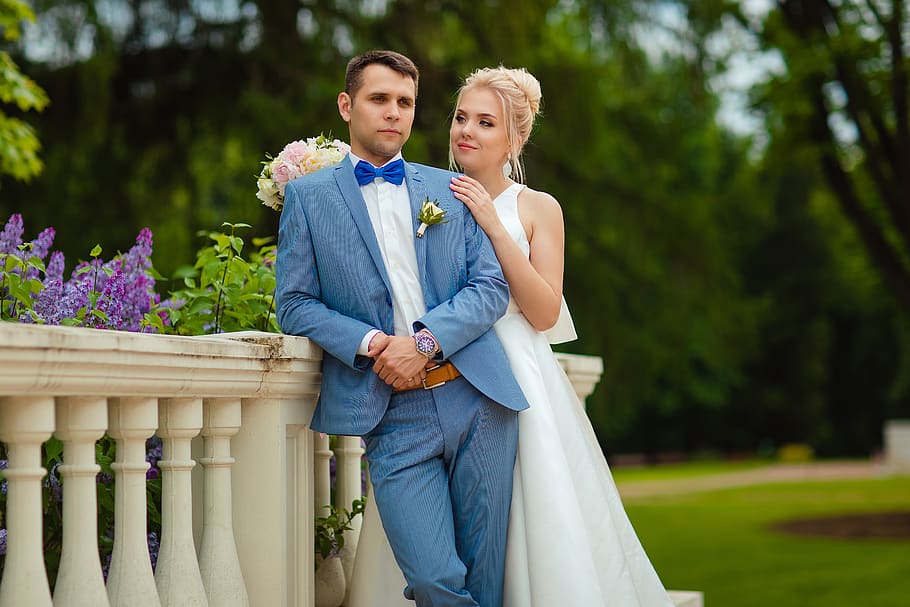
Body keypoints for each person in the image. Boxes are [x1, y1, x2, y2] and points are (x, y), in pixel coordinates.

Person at [347, 67, 676, 606]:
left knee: (521, 532)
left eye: (484, 122)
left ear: (514, 140)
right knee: (433, 547)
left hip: (512, 379)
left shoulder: (537, 208)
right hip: (433, 382)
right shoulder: (422, 194)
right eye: (460, 118)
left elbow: (545, 312)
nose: (465, 131)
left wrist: (495, 226)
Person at [275, 51, 530, 607]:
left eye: (405, 103)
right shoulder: (307, 199)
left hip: (477, 400)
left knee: (487, 582)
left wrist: (423, 342)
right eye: (379, 99)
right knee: (436, 580)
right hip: (389, 413)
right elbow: (293, 303)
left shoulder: (452, 190)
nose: (393, 113)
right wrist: (371, 345)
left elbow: (490, 288)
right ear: (347, 106)